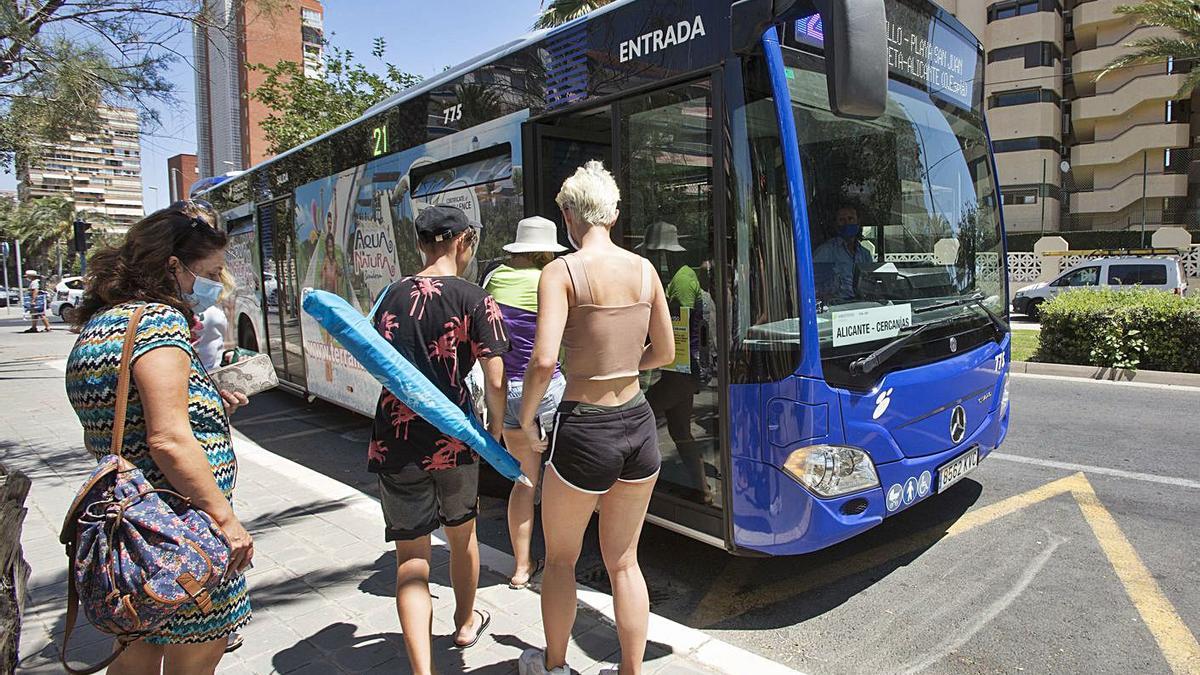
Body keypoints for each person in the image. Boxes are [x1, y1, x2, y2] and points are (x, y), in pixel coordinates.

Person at [63, 200, 253, 675]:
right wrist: (225, 521)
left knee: (137, 651)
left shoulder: (102, 323)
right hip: (176, 530)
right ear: (174, 266)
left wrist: (208, 400)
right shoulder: (156, 322)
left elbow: (126, 417)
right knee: (198, 650)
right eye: (210, 271)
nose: (216, 283)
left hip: (130, 528)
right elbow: (167, 438)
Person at [517, 161, 674, 675]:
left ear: (568, 215)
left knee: (561, 559)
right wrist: (627, 365)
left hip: (584, 425)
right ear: (613, 213)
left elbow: (543, 362)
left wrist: (524, 421)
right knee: (625, 561)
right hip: (638, 422)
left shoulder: (560, 272)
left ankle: (556, 667)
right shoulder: (646, 270)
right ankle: (630, 671)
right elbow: (666, 352)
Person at [367, 205, 510, 675]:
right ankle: (466, 622)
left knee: (410, 556)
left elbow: (375, 359)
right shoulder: (474, 297)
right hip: (453, 436)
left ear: (421, 243)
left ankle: (422, 670)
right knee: (461, 533)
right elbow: (495, 372)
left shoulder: (389, 296)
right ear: (463, 241)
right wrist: (494, 430)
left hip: (395, 438)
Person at [482, 215, 567, 589]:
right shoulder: (548, 280)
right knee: (561, 482)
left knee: (525, 481)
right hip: (547, 389)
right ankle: (562, 561)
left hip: (506, 392)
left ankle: (520, 567)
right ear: (545, 250)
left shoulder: (492, 279)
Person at [812, 204, 872, 302]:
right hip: (837, 308)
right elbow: (812, 283)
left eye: (850, 218)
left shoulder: (865, 254)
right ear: (836, 225)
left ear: (858, 222)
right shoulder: (826, 251)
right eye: (842, 220)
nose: (847, 223)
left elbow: (872, 283)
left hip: (862, 306)